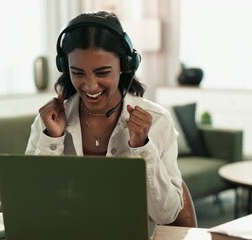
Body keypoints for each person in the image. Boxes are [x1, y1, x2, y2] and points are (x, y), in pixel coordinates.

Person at [25, 10, 183, 230]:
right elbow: (30, 206)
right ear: (65, 67)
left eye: (102, 72)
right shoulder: (48, 121)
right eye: (77, 72)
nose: (90, 86)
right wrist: (52, 140)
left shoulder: (158, 122)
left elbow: (166, 214)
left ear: (125, 66)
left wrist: (143, 148)